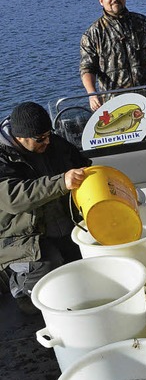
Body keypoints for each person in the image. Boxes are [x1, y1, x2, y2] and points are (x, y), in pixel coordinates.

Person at [0, 102, 89, 314]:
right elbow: (13, 198)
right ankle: (19, 287)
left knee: (88, 260)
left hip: (59, 223)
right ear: (20, 137)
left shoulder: (51, 142)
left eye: (49, 134)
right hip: (17, 235)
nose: (47, 141)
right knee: (48, 267)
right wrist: (61, 182)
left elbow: (85, 165)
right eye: (40, 138)